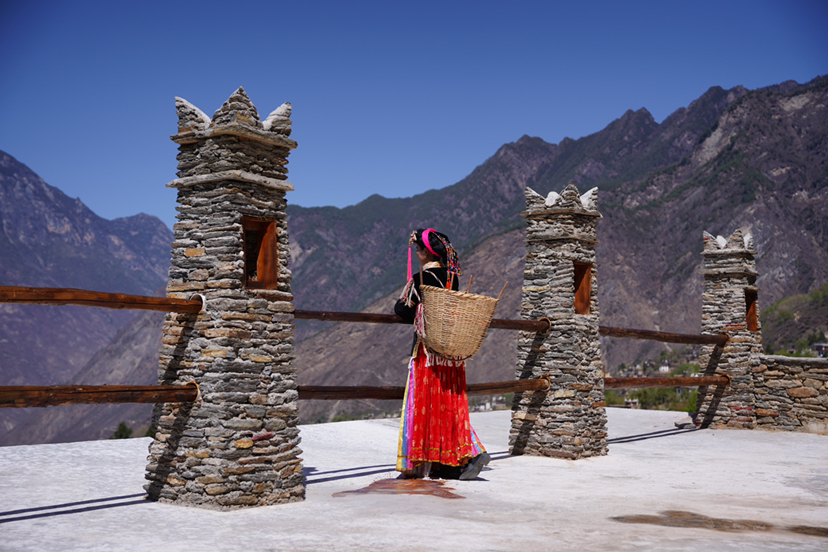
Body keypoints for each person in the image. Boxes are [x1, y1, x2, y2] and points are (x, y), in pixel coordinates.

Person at [394, 228, 491, 480]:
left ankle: (454, 455)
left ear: (427, 253)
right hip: (449, 352)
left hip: (427, 352)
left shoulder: (420, 279)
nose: (417, 253)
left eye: (418, 249)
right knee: (448, 403)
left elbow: (402, 310)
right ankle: (451, 460)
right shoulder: (451, 279)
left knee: (426, 404)